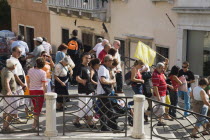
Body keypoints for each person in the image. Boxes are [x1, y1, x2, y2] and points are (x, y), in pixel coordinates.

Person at [73, 53, 95, 128]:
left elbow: (91, 74)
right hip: (83, 90)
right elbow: (77, 77)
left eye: (89, 58)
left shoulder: (89, 67)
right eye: (86, 58)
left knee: (89, 107)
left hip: (89, 89)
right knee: (82, 107)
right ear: (82, 58)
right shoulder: (80, 67)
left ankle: (90, 122)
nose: (88, 59)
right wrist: (82, 81)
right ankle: (76, 121)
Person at [96, 54, 118, 131]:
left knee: (104, 110)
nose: (112, 62)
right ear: (107, 61)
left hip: (104, 92)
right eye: (111, 60)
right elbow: (103, 80)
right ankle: (113, 126)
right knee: (109, 110)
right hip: (103, 93)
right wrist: (111, 82)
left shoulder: (106, 68)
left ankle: (104, 126)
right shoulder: (103, 68)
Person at [27, 57, 47, 130]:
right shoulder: (43, 73)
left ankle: (36, 124)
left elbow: (28, 80)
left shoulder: (30, 70)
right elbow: (44, 85)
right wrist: (45, 94)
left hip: (32, 90)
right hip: (39, 91)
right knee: (37, 109)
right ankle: (34, 125)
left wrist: (29, 88)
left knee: (36, 108)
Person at [1, 59, 18, 132]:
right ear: (13, 66)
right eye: (15, 65)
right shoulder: (9, 73)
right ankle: (6, 127)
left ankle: (5, 126)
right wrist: (9, 91)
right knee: (12, 111)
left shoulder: (4, 69)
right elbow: (7, 81)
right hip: (10, 94)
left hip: (4, 93)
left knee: (6, 110)